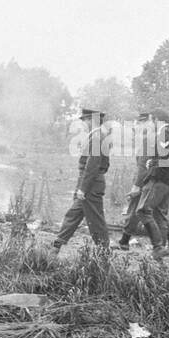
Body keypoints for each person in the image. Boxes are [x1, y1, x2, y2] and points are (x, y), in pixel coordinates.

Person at [52, 107, 111, 253]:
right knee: (73, 214)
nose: (83, 123)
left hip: (91, 184)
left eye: (84, 120)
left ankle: (104, 251)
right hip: (92, 181)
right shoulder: (99, 135)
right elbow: (105, 164)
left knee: (96, 221)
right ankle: (56, 245)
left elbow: (93, 165)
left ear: (92, 120)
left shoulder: (97, 137)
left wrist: (83, 188)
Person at [125, 108, 169, 260]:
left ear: (157, 120)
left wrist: (154, 161)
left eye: (151, 120)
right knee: (158, 215)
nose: (151, 123)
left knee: (143, 211)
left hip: (160, 179)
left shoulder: (164, 134)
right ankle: (165, 249)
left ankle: (158, 247)